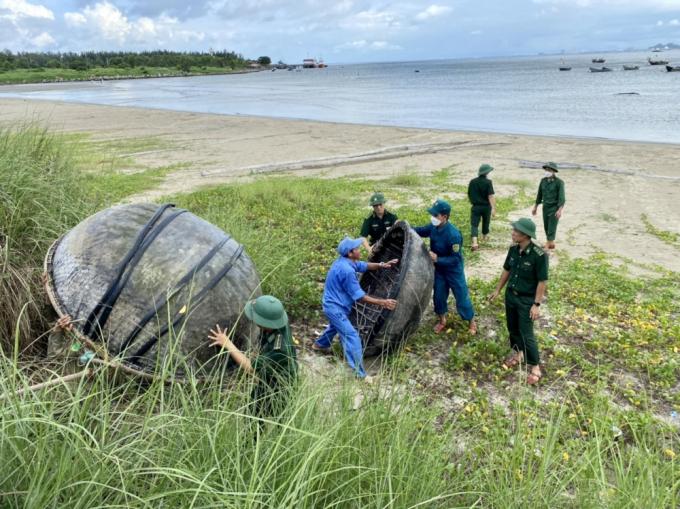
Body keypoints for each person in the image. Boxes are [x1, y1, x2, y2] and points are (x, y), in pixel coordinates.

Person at [312, 237, 398, 380]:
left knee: (335, 326)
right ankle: (360, 374)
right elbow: (360, 297)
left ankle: (319, 345)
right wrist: (382, 302)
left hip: (335, 305)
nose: (360, 250)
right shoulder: (347, 271)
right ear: (351, 253)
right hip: (335, 308)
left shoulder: (345, 262)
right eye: (357, 249)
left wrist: (382, 265)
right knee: (351, 336)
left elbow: (364, 265)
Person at [209, 295, 298, 418]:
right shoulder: (277, 319)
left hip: (277, 386)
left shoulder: (279, 349)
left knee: (257, 413)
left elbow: (250, 367)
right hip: (270, 374)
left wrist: (227, 343)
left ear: (266, 323)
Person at [488, 218, 548, 385]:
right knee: (512, 327)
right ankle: (519, 353)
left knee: (526, 332)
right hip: (511, 296)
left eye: (516, 231)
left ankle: (535, 366)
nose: (513, 232)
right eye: (513, 229)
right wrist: (498, 289)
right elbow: (507, 270)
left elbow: (542, 282)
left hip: (526, 300)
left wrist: (536, 305)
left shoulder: (539, 256)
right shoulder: (513, 250)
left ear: (526, 235)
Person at [415, 199, 477, 335]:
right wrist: (407, 227)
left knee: (461, 296)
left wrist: (437, 258)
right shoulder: (433, 227)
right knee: (438, 295)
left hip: (454, 270)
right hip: (439, 270)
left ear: (444, 217)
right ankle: (442, 320)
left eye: (435, 215)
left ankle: (471, 321)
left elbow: (455, 259)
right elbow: (421, 230)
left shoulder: (453, 235)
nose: (433, 218)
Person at [532, 162, 566, 250]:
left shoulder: (559, 183)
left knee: (552, 226)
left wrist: (559, 210)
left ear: (554, 171)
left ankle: (548, 243)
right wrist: (535, 207)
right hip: (545, 207)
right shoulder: (543, 181)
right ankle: (551, 243)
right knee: (546, 225)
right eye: (546, 170)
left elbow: (561, 197)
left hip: (554, 207)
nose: (547, 171)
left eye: (549, 170)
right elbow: (539, 194)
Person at [467, 163, 497, 251]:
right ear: (487, 173)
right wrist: (493, 208)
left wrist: (474, 201)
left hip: (475, 206)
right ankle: (484, 237)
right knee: (486, 222)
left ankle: (475, 242)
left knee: (474, 224)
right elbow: (490, 196)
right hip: (486, 207)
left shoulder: (472, 181)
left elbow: (469, 193)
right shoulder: (488, 182)